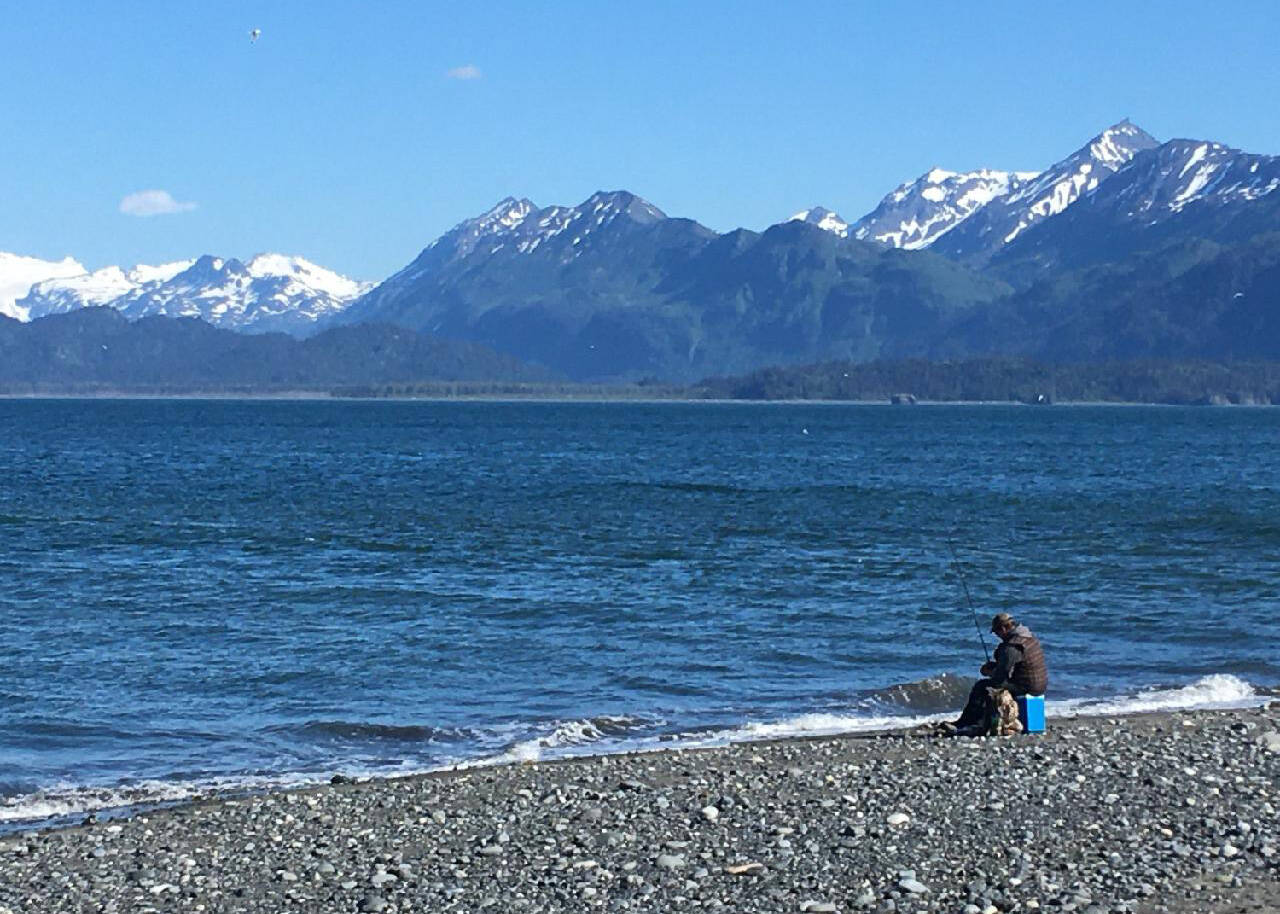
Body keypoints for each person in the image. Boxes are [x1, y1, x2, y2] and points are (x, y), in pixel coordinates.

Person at [951, 612, 1048, 733]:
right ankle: (977, 720)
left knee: (982, 686)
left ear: (1003, 628)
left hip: (1027, 687)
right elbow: (1014, 665)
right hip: (1040, 685)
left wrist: (988, 672)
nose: (997, 636)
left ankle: (965, 722)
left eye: (997, 633)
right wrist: (995, 667)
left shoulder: (1012, 646)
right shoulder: (1028, 637)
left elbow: (1000, 678)